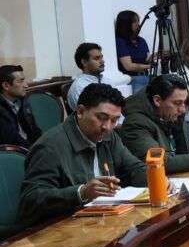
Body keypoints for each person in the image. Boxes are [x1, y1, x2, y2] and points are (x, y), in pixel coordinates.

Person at [13, 84, 148, 236]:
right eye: (101, 118)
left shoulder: (109, 136)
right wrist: (81, 192)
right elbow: (31, 200)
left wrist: (157, 179)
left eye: (114, 120)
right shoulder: (50, 146)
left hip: (101, 222)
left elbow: (134, 167)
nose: (108, 127)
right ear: (80, 111)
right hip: (60, 232)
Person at [120, 74, 189, 174]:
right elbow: (158, 161)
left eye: (184, 103)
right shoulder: (136, 124)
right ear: (157, 100)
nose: (183, 109)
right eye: (177, 103)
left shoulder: (175, 115)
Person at [0, 65, 42, 148]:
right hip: (15, 153)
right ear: (6, 85)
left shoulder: (22, 101)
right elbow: (13, 141)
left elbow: (35, 131)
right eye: (21, 81)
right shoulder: (1, 111)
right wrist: (36, 150)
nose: (26, 85)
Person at [114, 10, 152, 94]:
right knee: (139, 100)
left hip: (146, 76)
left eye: (138, 21)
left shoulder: (141, 40)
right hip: (133, 79)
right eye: (134, 22)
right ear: (126, 24)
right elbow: (129, 66)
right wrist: (150, 66)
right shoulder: (120, 41)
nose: (138, 24)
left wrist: (155, 56)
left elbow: (147, 59)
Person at [67, 43, 106, 110]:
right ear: (84, 62)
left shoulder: (106, 80)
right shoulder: (79, 87)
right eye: (96, 58)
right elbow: (88, 113)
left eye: (101, 57)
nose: (102, 61)